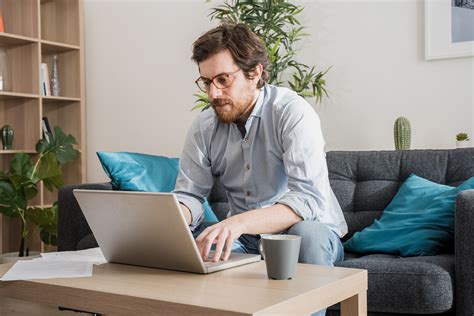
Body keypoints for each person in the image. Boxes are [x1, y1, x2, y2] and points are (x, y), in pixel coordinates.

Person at [174, 23, 347, 269]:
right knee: (197, 249)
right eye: (206, 82)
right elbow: (189, 194)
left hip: (307, 232)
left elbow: (307, 199)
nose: (213, 93)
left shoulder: (291, 112)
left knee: (307, 234)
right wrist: (173, 218)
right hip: (245, 239)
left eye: (223, 80)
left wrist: (238, 223)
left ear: (254, 73)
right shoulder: (204, 126)